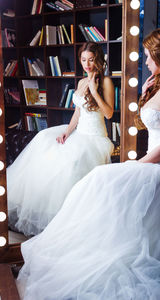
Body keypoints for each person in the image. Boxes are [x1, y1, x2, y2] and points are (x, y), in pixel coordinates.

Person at [17, 27, 160, 300]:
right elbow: (144, 123)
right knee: (97, 183)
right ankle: (87, 250)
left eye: (148, 57)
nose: (145, 62)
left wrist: (135, 165)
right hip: (156, 164)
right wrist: (147, 93)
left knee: (102, 179)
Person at [7, 42, 114, 237]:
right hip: (79, 132)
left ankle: (75, 225)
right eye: (83, 60)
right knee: (46, 148)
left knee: (73, 169)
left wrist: (95, 91)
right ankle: (55, 221)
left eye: (91, 59)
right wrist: (68, 131)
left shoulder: (105, 82)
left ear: (98, 59)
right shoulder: (81, 82)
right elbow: (77, 112)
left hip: (95, 138)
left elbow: (108, 114)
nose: (87, 64)